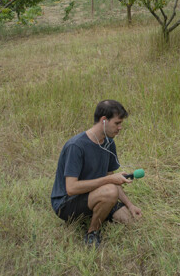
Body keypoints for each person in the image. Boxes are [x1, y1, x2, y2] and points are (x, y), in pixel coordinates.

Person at [51, 99, 142, 247]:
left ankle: (102, 208)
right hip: (66, 204)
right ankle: (92, 232)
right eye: (117, 123)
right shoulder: (76, 146)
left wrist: (130, 205)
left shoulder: (109, 143)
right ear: (104, 120)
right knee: (110, 191)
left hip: (95, 194)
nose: (120, 128)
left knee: (131, 221)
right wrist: (109, 180)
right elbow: (71, 188)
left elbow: (111, 177)